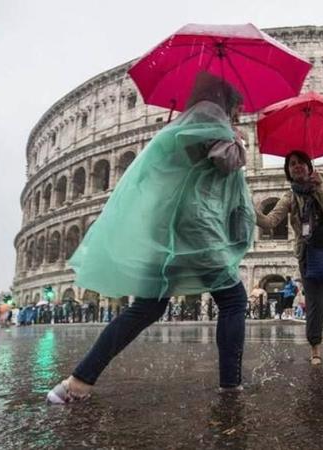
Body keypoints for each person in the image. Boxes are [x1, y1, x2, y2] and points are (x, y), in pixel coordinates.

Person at [47, 72, 254, 404]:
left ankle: (76, 383)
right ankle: (231, 385)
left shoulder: (182, 122)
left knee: (147, 307)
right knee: (233, 300)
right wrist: (237, 141)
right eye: (238, 104)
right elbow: (224, 162)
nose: (240, 110)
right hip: (194, 227)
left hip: (165, 227)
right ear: (225, 98)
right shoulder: (211, 116)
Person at [255, 151, 323, 365]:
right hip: (309, 255)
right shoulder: (289, 197)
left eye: (300, 163)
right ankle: (315, 351)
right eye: (292, 164)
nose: (297, 167)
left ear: (309, 166)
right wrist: (250, 210)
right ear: (288, 171)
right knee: (315, 303)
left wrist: (321, 187)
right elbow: (270, 221)